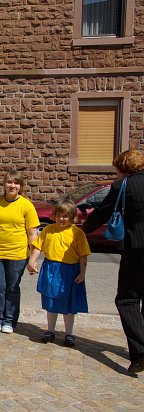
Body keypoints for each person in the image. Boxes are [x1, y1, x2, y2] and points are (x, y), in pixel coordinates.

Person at [83, 149, 144, 372]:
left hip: (135, 248)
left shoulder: (122, 186)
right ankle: (139, 353)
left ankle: (141, 351)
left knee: (127, 300)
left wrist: (84, 228)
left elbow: (102, 212)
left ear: (122, 168)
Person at [28, 200, 90, 347]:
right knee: (51, 301)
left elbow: (83, 255)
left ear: (72, 217)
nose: (61, 219)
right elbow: (38, 247)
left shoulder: (77, 233)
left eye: (65, 216)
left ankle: (69, 333)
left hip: (70, 270)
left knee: (68, 303)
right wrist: (31, 261)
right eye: (58, 215)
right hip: (51, 269)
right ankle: (50, 330)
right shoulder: (48, 230)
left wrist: (82, 272)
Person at [0, 171, 39, 333]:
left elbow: (32, 234)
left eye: (16, 183)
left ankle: (9, 320)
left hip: (18, 255)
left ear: (20, 186)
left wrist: (33, 258)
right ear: (4, 184)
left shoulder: (26, 205)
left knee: (12, 289)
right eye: (9, 182)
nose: (12, 186)